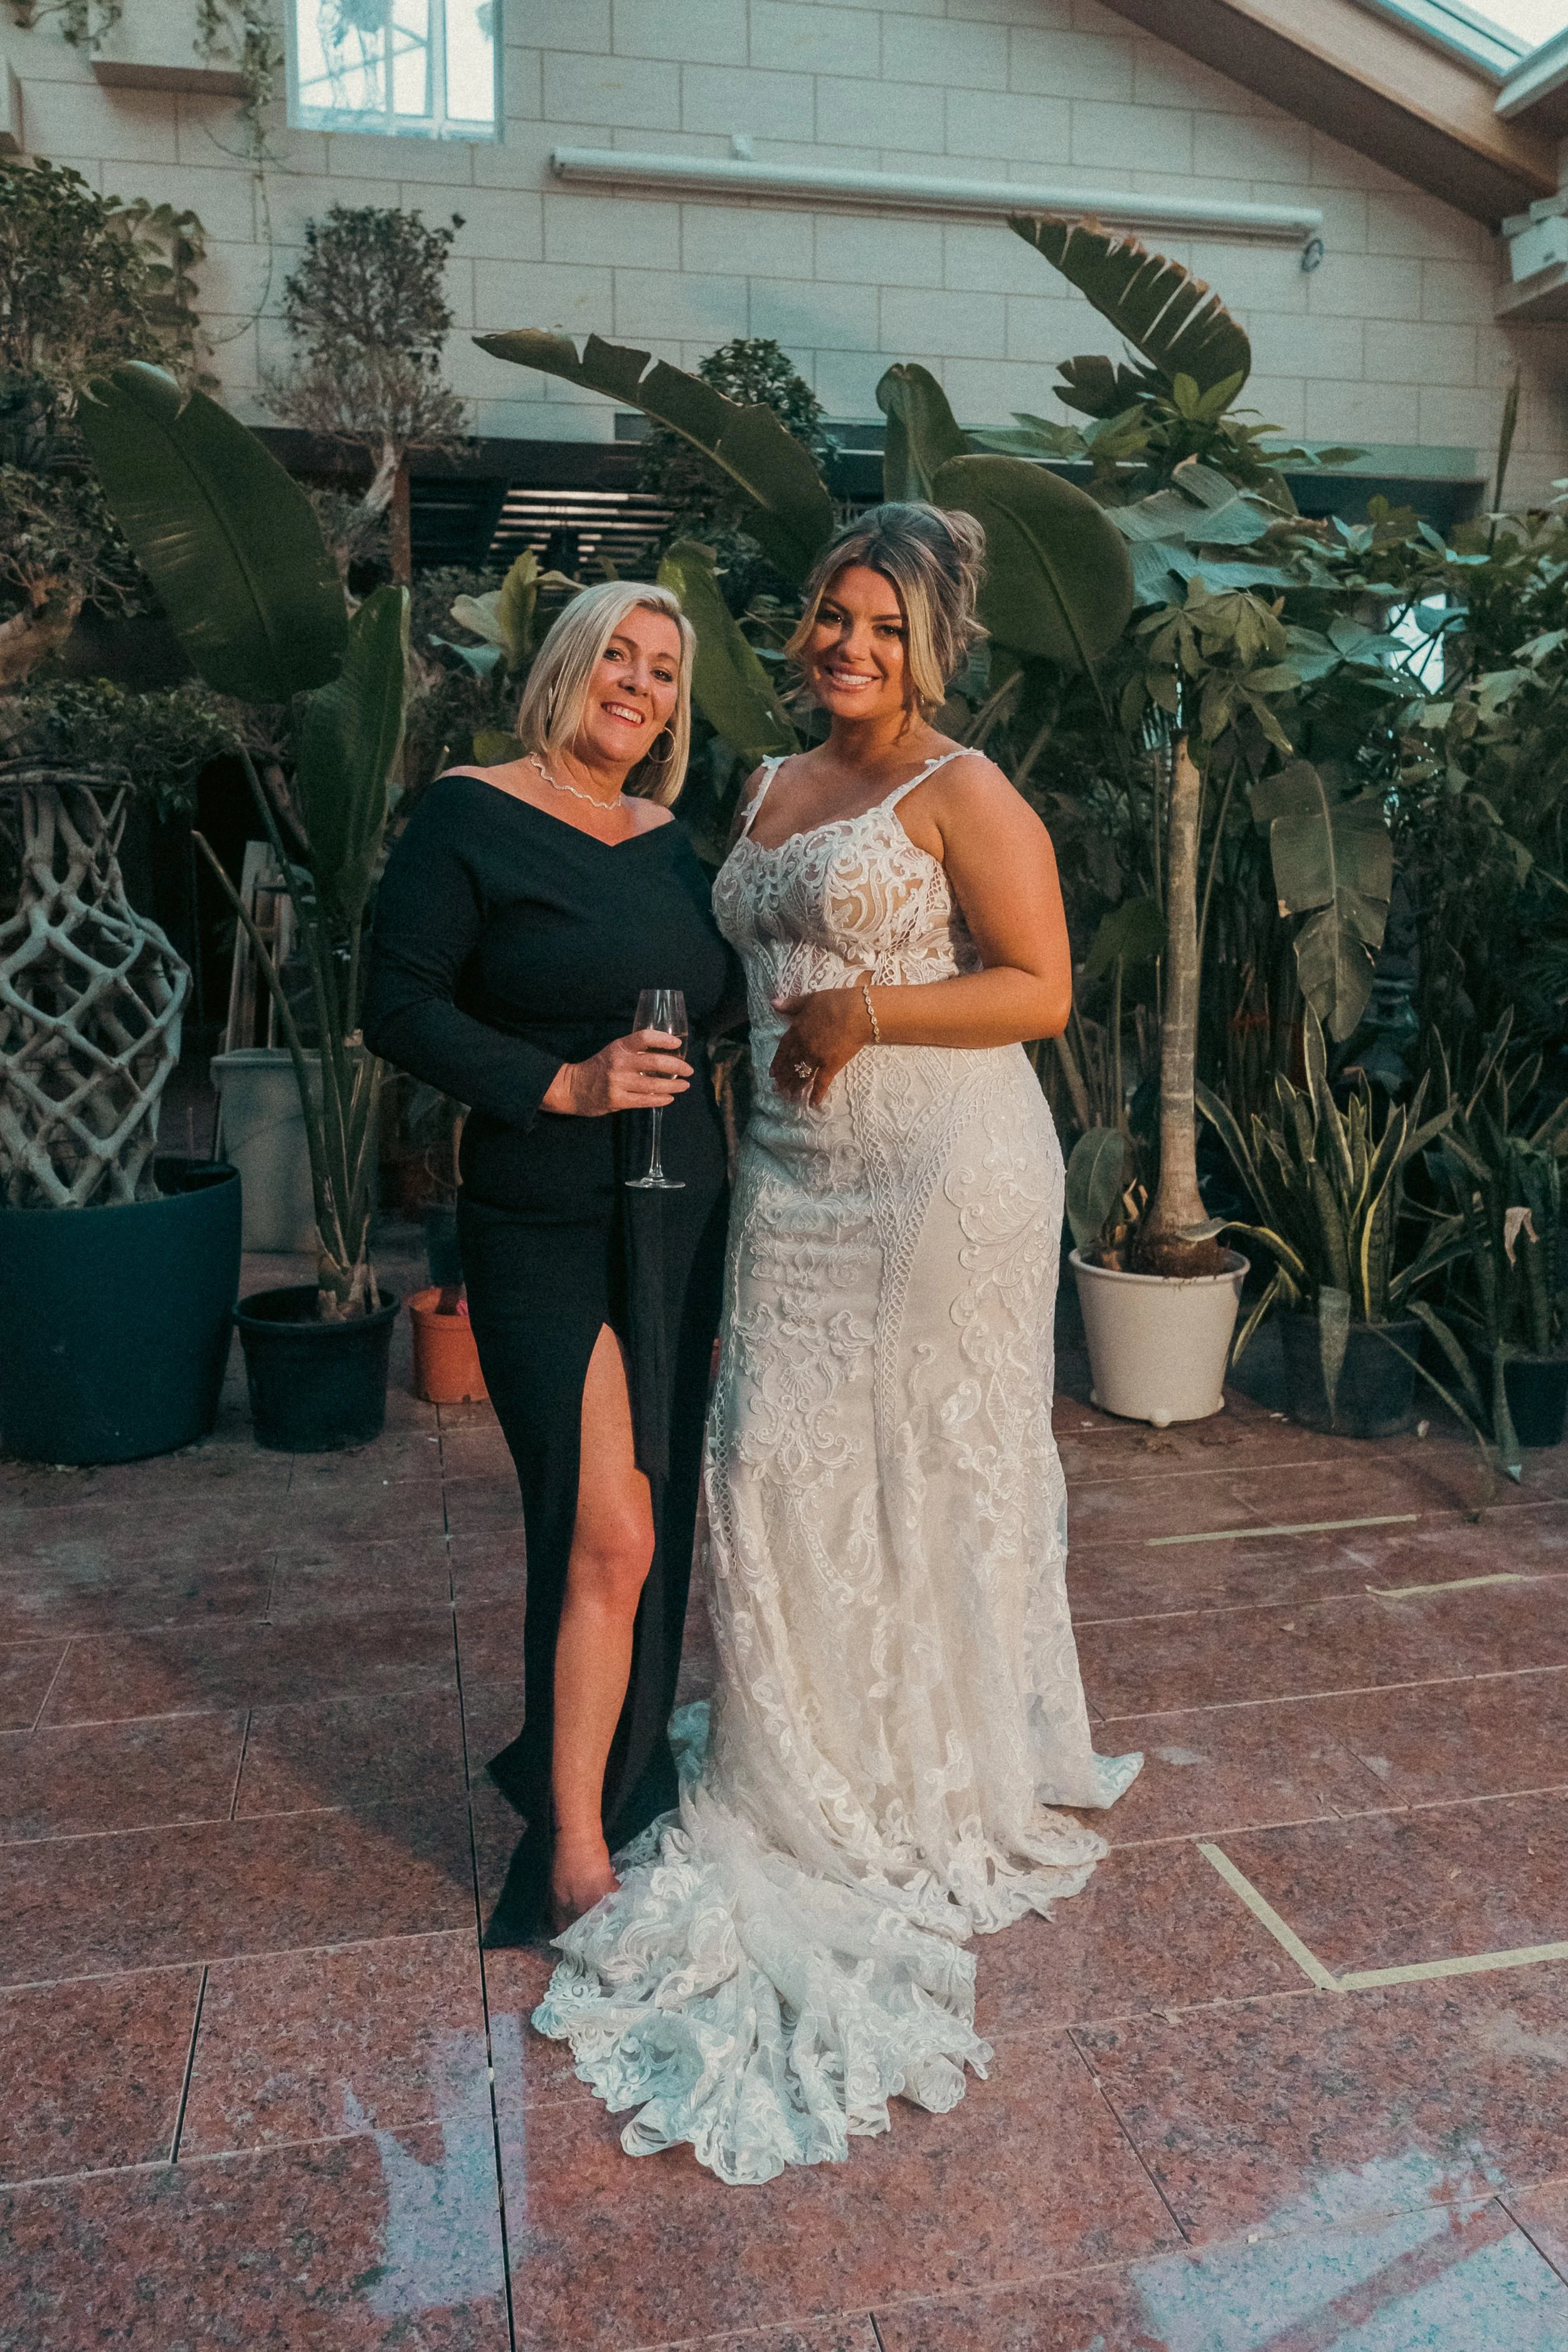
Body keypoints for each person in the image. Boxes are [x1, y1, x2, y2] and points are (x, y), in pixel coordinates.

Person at [531, 502, 1143, 2184]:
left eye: (882, 628)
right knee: (771, 1459)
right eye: (829, 618)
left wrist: (869, 1006)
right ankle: (802, 1744)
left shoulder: (963, 790)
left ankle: (933, 1760)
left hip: (947, 1165)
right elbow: (721, 953)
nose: (848, 648)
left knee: (928, 1460)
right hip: (792, 1185)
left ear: (928, 647)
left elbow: (1039, 986)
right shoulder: (759, 782)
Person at [364, 579, 733, 1939]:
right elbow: (393, 1001)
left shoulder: (673, 844)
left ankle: (604, 1763)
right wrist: (562, 1087)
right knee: (606, 1527)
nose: (637, 686)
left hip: (678, 1216)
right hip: (540, 1215)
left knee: (649, 1523)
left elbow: (730, 996)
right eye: (616, 658)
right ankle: (574, 1841)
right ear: (568, 668)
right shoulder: (471, 811)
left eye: (663, 672)